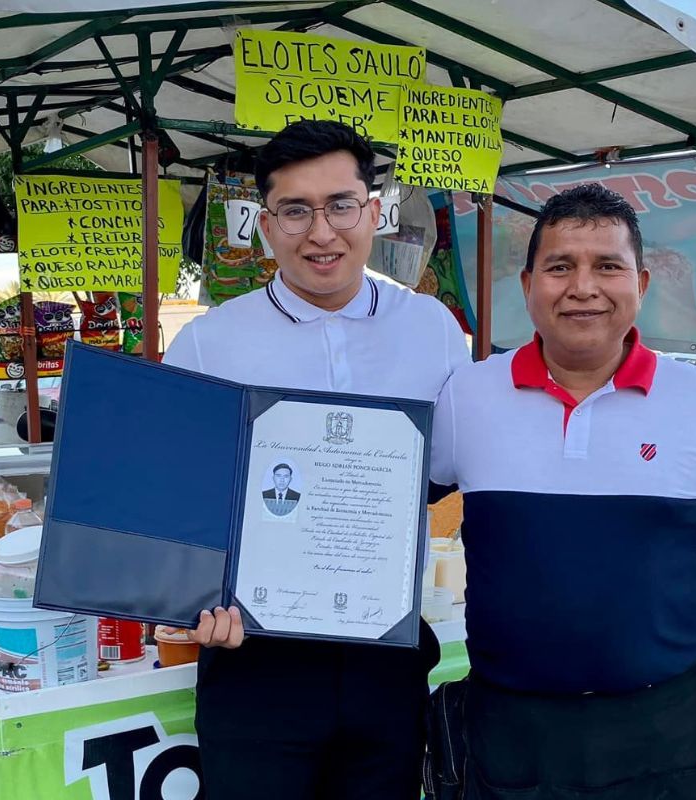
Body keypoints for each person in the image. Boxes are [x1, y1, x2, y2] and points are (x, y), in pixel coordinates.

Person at [431, 184, 696, 800]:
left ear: (643, 283)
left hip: (663, 729)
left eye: (607, 266)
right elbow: (386, 506)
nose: (583, 287)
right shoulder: (467, 397)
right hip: (510, 729)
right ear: (528, 286)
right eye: (559, 266)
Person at [162, 119, 471, 799]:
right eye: (295, 210)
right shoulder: (208, 345)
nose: (321, 232)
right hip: (254, 661)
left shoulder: (435, 331)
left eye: (340, 205)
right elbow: (178, 503)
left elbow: (447, 471)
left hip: (385, 660)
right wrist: (188, 596)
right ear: (265, 225)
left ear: (373, 212)